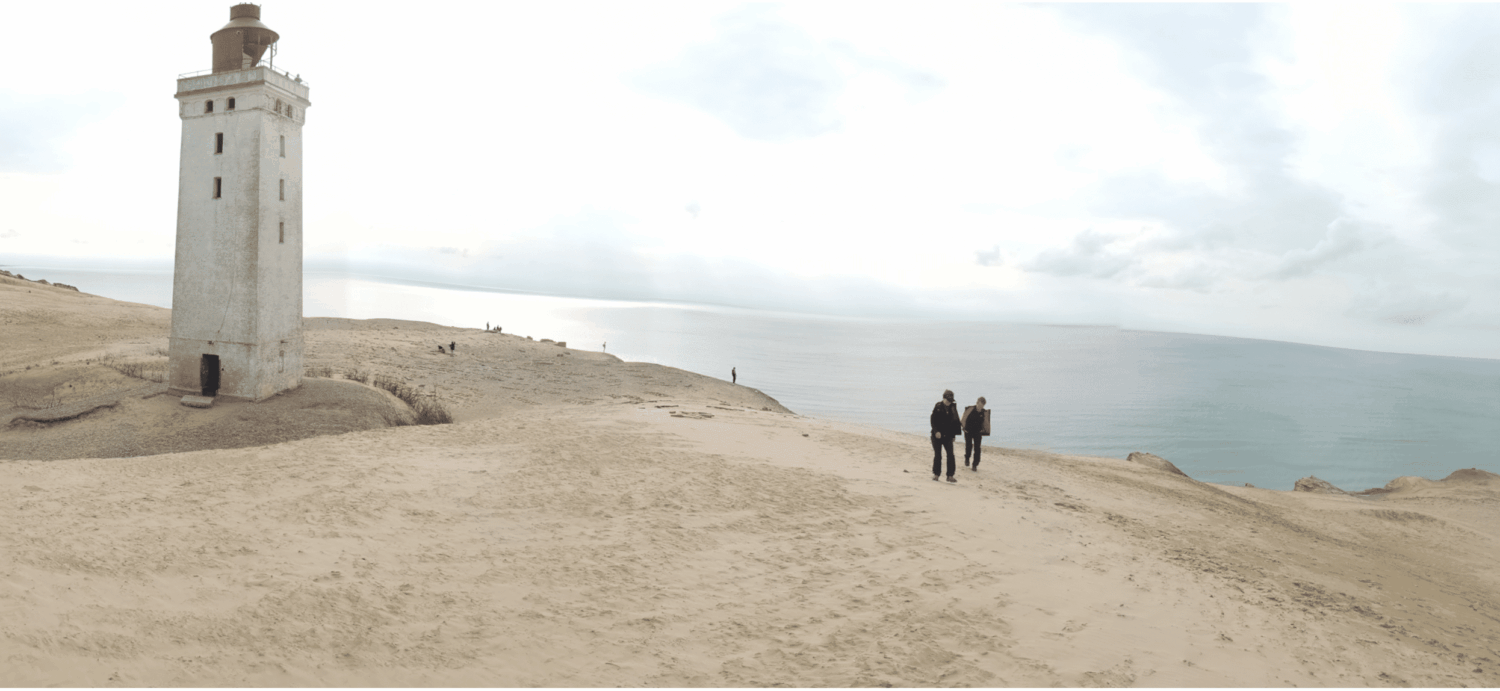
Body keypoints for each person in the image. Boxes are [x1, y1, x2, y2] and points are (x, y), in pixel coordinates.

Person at [929, 389, 962, 482]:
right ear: (943, 398)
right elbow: (932, 420)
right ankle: (936, 474)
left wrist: (954, 435)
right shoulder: (938, 406)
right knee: (938, 455)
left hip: (948, 436)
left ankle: (950, 476)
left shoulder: (953, 407)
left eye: (950, 401)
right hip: (937, 436)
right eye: (947, 400)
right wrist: (936, 432)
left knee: (951, 455)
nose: (949, 402)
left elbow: (955, 422)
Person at [961, 396, 989, 470]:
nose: (981, 406)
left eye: (982, 405)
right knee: (969, 446)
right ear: (977, 403)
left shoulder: (984, 412)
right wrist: (964, 428)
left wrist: (985, 431)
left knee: (977, 448)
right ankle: (967, 458)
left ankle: (975, 465)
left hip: (977, 432)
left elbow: (986, 423)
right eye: (980, 404)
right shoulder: (970, 409)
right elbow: (963, 419)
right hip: (968, 431)